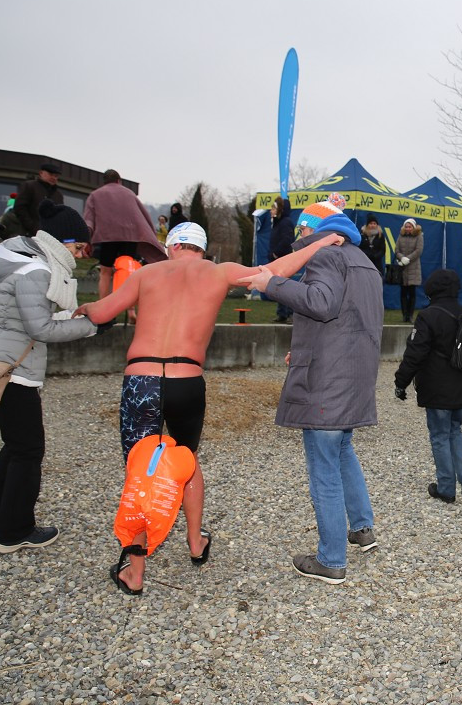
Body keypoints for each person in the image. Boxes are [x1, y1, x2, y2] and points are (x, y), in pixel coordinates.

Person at [74, 222, 344, 595]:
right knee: (187, 460)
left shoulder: (147, 272)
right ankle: (196, 542)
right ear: (202, 250)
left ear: (172, 246)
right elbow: (277, 272)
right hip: (187, 380)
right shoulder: (220, 271)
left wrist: (87, 306)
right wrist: (323, 242)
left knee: (141, 471)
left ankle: (135, 573)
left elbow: (102, 314)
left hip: (143, 380)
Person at [238, 201, 383, 585]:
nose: (298, 239)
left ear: (309, 229)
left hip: (327, 380)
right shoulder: (362, 260)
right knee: (342, 450)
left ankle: (331, 559)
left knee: (323, 463)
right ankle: (362, 528)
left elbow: (321, 303)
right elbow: (346, 318)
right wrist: (305, 348)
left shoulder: (323, 254)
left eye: (301, 231)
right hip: (353, 372)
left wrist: (272, 283)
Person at [0, 203, 99, 554]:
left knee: (15, 445)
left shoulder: (18, 260)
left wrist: (75, 317)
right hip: (12, 375)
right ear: (63, 242)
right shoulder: (37, 271)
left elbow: (33, 315)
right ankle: (14, 531)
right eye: (78, 247)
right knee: (28, 451)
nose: (80, 254)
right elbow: (41, 328)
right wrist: (91, 326)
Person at [393, 269, 462, 504]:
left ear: (432, 289)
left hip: (437, 387)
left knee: (440, 436)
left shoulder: (428, 316)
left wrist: (400, 382)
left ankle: (446, 488)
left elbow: (415, 354)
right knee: (455, 430)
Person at [83, 169, 167, 304]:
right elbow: (142, 217)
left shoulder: (95, 195)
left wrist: (87, 238)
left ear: (104, 182)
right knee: (128, 271)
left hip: (107, 238)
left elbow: (89, 219)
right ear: (119, 181)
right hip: (129, 237)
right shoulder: (129, 194)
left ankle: (103, 306)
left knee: (105, 272)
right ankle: (130, 309)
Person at [13, 163, 63, 236]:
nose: (54, 178)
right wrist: (32, 227)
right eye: (50, 174)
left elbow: (60, 214)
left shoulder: (58, 195)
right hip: (30, 234)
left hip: (51, 236)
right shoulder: (29, 186)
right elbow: (20, 208)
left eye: (56, 176)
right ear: (41, 173)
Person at [267, 196, 296, 324]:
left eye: (273, 208)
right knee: (279, 288)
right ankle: (282, 313)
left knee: (286, 288)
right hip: (278, 261)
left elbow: (287, 240)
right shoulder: (277, 223)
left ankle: (290, 313)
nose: (271, 210)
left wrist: (276, 253)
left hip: (283, 260)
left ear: (280, 209)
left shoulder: (286, 222)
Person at [394, 218, 423, 322]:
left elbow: (418, 250)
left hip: (414, 268)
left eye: (410, 226)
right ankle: (404, 315)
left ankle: (410, 315)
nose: (408, 228)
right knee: (403, 293)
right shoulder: (401, 236)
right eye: (406, 226)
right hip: (403, 268)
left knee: (412, 293)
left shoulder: (419, 236)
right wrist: (401, 258)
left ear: (413, 227)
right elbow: (396, 249)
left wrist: (408, 259)